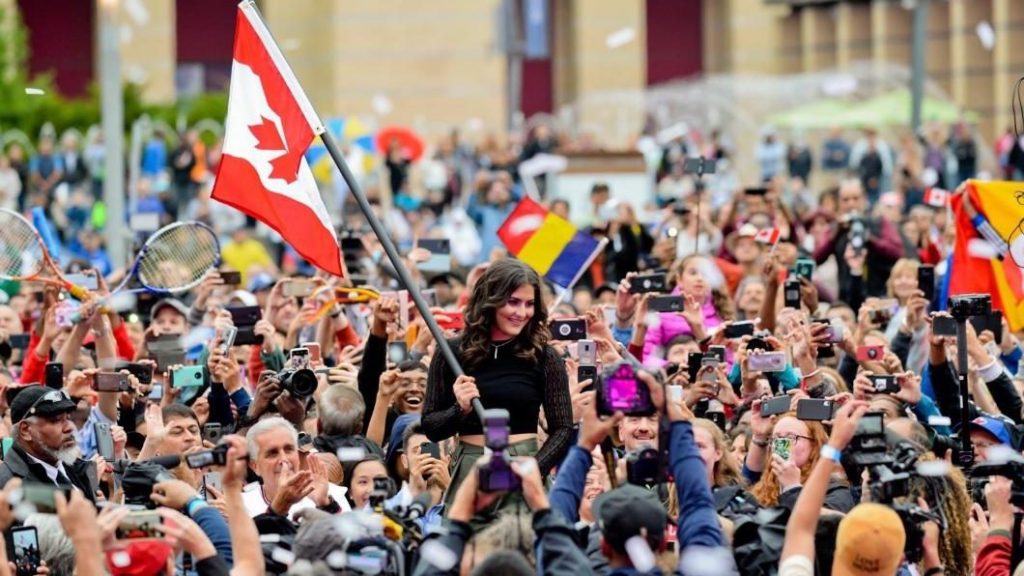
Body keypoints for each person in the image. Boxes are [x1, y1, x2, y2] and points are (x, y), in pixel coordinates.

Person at [423, 258, 572, 518]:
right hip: (471, 465)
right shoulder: (451, 352)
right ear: (490, 300)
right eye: (513, 302)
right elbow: (432, 428)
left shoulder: (545, 357)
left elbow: (563, 428)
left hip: (524, 465)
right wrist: (460, 409)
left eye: (529, 304)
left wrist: (533, 469)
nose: (522, 313)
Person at [0, 386, 98, 503]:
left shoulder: (81, 470)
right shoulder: (8, 486)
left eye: (68, 418)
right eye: (56, 420)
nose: (69, 427)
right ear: (26, 430)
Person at [243, 416, 348, 519]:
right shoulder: (242, 506)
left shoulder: (329, 493)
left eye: (289, 449)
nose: (284, 459)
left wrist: (325, 505)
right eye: (272, 453)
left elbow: (351, 530)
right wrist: (280, 506)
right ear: (255, 466)